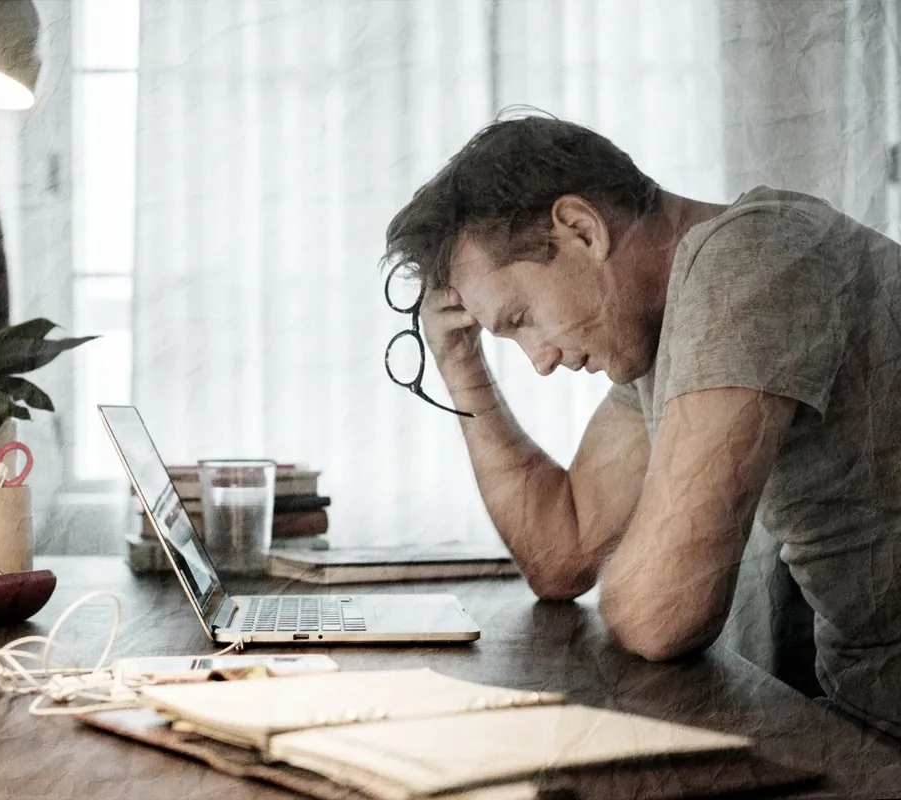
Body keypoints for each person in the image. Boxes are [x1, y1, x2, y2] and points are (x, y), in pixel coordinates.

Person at [383, 112, 901, 740]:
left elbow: (664, 611)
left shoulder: (750, 258)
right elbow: (562, 554)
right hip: (865, 715)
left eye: (521, 318)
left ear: (581, 229)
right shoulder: (662, 329)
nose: (541, 361)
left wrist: (644, 573)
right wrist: (459, 361)